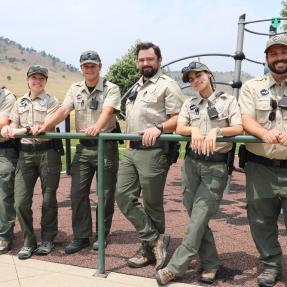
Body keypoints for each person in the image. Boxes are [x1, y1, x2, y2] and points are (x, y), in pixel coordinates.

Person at [156, 61, 243, 285]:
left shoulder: (228, 100)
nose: (195, 80)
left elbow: (238, 127)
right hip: (192, 165)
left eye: (198, 75)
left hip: (215, 166)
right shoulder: (190, 103)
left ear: (209, 73)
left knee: (198, 218)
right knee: (196, 216)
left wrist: (217, 130)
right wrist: (193, 129)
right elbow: (179, 127)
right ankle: (211, 263)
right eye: (191, 79)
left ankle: (175, 267)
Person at [36, 51, 121, 254]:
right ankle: (82, 236)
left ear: (100, 67)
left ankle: (102, 235)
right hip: (83, 148)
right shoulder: (75, 89)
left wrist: (97, 127)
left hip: (104, 146)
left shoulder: (111, 88)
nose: (89, 69)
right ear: (81, 68)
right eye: (85, 66)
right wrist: (45, 126)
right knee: (77, 194)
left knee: (106, 194)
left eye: (93, 65)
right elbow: (64, 111)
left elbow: (108, 111)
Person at [115, 42, 184, 270]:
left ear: (159, 60)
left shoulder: (168, 85)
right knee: (123, 196)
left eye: (150, 59)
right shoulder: (136, 86)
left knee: (152, 203)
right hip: (132, 150)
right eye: (142, 60)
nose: (145, 63)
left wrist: (160, 128)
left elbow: (179, 118)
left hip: (154, 151)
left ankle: (147, 249)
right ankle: (155, 239)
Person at [238, 34, 287, 287]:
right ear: (266, 58)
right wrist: (264, 133)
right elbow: (246, 119)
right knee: (261, 221)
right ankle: (270, 265)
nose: (279, 57)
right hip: (260, 167)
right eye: (274, 54)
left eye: (283, 52)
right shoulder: (252, 86)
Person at [1, 65, 61, 259]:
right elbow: (12, 125)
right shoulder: (19, 103)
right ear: (27, 79)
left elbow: (47, 125)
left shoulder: (52, 100)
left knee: (48, 199)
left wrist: (23, 129)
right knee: (20, 202)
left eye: (41, 78)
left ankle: (48, 239)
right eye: (34, 78)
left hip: (47, 153)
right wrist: (10, 130)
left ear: (46, 81)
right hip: (25, 154)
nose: (37, 81)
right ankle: (29, 241)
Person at [0, 85, 18, 255]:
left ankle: (4, 236)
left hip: (4, 150)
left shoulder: (7, 96)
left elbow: (3, 123)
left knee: (4, 195)